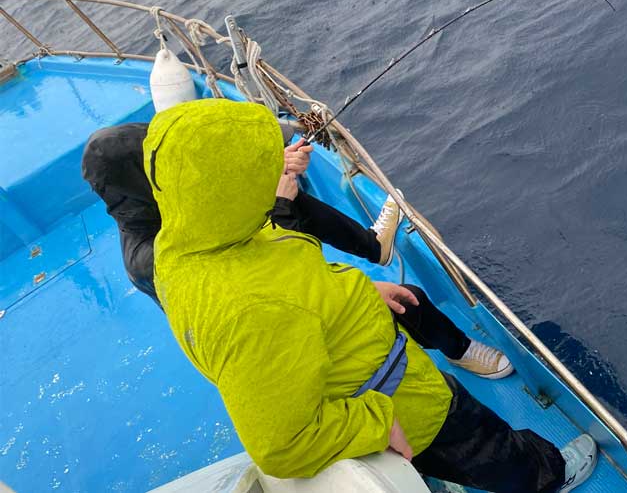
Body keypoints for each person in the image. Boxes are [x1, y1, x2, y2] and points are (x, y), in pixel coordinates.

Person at [137, 99, 598, 492]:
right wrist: (376, 422)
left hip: (364, 370)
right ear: (232, 189)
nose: (278, 163)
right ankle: (550, 474)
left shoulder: (182, 246)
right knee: (484, 443)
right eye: (264, 163)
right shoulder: (254, 313)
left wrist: (356, 292)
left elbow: (285, 284)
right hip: (400, 401)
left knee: (445, 447)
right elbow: (282, 444)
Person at [82, 122, 512, 380]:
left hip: (284, 296)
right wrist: (280, 206)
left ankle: (377, 251)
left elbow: (234, 211)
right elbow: (269, 277)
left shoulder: (172, 204)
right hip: (272, 336)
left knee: (398, 296)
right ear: (145, 181)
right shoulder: (150, 260)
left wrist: (279, 168)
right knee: (405, 303)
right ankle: (448, 358)